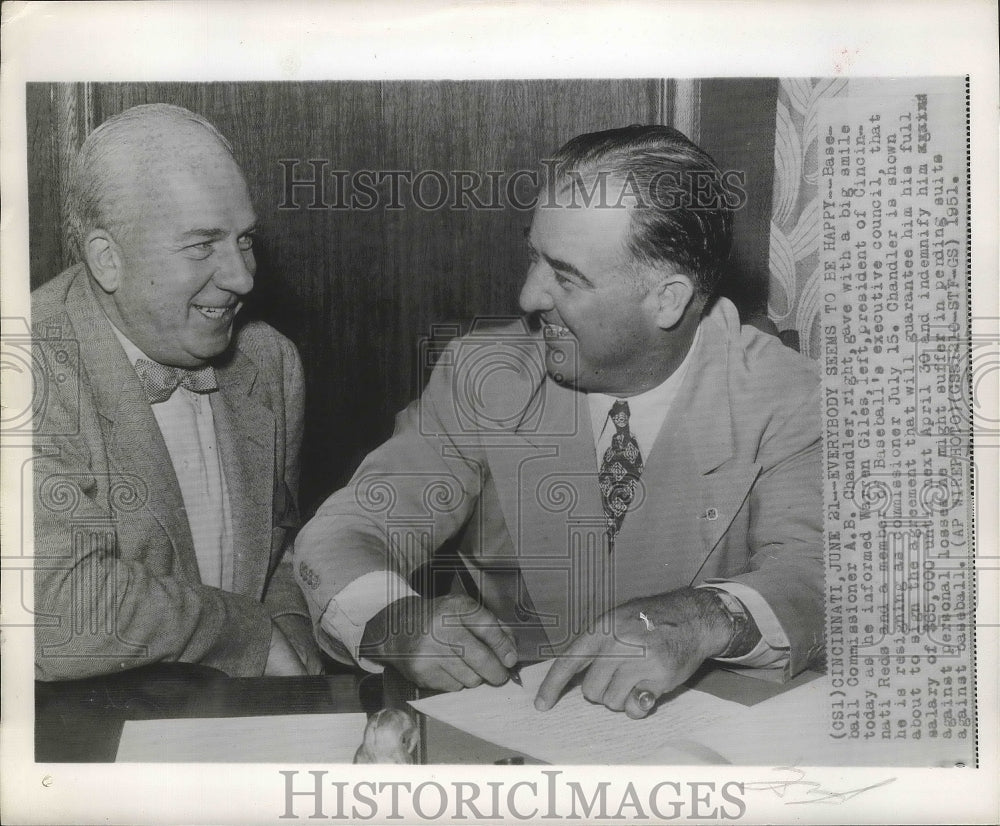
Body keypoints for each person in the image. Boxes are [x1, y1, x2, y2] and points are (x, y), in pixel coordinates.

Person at [294, 125, 823, 717]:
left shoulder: (786, 394)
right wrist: (391, 616)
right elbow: (346, 529)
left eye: (566, 276)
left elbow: (817, 573)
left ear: (668, 299)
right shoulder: (485, 376)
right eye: (534, 257)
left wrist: (706, 617)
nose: (528, 297)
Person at [32, 104, 321, 680]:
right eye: (202, 246)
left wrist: (290, 628)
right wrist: (250, 637)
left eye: (245, 240)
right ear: (107, 260)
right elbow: (61, 614)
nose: (243, 277)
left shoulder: (269, 360)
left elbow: (281, 552)